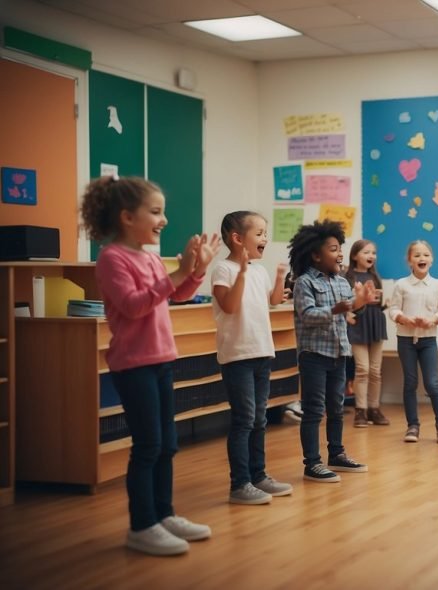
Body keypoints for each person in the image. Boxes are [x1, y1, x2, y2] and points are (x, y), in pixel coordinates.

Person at [81, 175, 218, 555]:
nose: (164, 220)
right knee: (148, 445)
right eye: (156, 212)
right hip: (133, 364)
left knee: (167, 445)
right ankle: (142, 526)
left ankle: (164, 514)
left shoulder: (151, 256)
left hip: (160, 359)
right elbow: (135, 305)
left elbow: (176, 296)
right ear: (127, 216)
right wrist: (179, 271)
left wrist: (196, 270)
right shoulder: (112, 258)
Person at [211, 211, 292, 505]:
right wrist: (242, 272)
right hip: (237, 356)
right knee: (244, 419)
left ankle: (258, 476)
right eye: (259, 233)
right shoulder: (224, 270)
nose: (265, 239)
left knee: (259, 419)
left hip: (261, 352)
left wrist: (280, 277)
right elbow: (230, 306)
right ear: (237, 238)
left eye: (265, 233)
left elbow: (272, 301)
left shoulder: (259, 270)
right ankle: (239, 484)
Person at [288, 220, 368, 483]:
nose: (340, 253)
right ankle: (312, 463)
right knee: (313, 410)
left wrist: (360, 304)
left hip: (338, 353)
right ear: (315, 254)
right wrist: (337, 310)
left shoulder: (342, 281)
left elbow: (349, 310)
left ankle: (336, 454)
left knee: (336, 407)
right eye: (334, 249)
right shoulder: (304, 282)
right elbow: (307, 315)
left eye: (340, 248)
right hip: (313, 355)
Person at [388, 240, 438, 444]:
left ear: (431, 259)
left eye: (425, 255)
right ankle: (412, 426)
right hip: (405, 340)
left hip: (428, 340)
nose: (421, 258)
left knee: (432, 383)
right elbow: (394, 309)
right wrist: (403, 318)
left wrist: (434, 320)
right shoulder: (401, 284)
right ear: (409, 261)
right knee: (410, 382)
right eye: (417, 255)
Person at [344, 240, 390, 427]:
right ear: (355, 255)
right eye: (366, 252)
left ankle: (374, 409)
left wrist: (384, 304)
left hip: (376, 323)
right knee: (362, 369)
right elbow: (348, 303)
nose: (371, 256)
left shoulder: (375, 276)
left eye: (373, 252)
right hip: (358, 324)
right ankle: (360, 411)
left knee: (375, 371)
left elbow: (377, 302)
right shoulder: (348, 276)